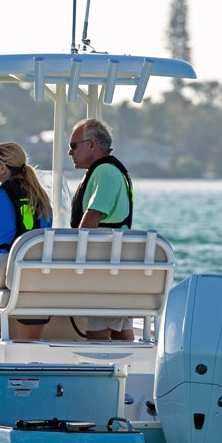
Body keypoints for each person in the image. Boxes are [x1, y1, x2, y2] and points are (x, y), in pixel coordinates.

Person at [0, 142, 53, 357]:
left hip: (3, 284)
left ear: (3, 167)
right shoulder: (43, 202)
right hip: (37, 285)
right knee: (28, 356)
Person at [68, 117, 135, 341]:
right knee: (120, 331)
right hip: (116, 268)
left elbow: (92, 216)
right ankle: (132, 372)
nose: (70, 153)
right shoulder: (110, 171)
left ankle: (105, 373)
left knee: (96, 334)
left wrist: (72, 256)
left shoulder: (104, 172)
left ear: (92, 145)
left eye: (73, 146)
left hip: (106, 269)